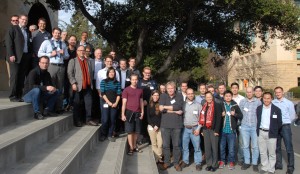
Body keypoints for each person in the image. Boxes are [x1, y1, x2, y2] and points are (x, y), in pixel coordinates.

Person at [38, 27, 70, 113]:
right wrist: (50, 54)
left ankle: (59, 107)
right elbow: (39, 53)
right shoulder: (47, 42)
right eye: (56, 33)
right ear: (52, 33)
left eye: (59, 33)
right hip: (51, 66)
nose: (57, 35)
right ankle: (49, 107)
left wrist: (63, 54)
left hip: (61, 66)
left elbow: (67, 56)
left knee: (60, 87)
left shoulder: (63, 44)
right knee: (51, 87)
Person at [67, 46, 97, 127]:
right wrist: (73, 83)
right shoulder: (73, 61)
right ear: (77, 51)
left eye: (83, 50)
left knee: (89, 104)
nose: (82, 52)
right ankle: (77, 121)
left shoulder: (89, 61)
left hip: (88, 86)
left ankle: (88, 120)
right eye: (80, 50)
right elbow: (70, 73)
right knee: (77, 104)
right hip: (78, 85)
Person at [5, 14, 32, 102]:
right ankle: (12, 96)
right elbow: (9, 43)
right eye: (23, 19)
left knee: (21, 77)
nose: (24, 21)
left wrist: (29, 55)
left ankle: (19, 95)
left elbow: (28, 44)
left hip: (25, 56)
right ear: (19, 20)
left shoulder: (27, 31)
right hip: (15, 57)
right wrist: (11, 54)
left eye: (26, 20)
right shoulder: (13, 28)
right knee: (15, 76)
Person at [158, 81, 184, 172]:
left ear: (175, 88)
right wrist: (174, 110)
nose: (170, 90)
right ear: (166, 89)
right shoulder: (163, 96)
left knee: (176, 145)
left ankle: (176, 163)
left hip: (177, 125)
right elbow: (161, 109)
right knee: (165, 145)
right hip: (165, 125)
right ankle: (167, 162)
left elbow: (179, 107)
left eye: (172, 88)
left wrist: (166, 107)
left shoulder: (179, 96)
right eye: (168, 88)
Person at [257, 92, 282, 174]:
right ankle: (265, 166)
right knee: (263, 152)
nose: (266, 100)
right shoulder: (259, 108)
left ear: (271, 99)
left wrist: (274, 130)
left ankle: (271, 169)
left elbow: (279, 123)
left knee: (272, 152)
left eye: (268, 98)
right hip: (261, 132)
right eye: (265, 98)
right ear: (262, 98)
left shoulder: (277, 110)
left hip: (271, 133)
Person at [272, 87, 295, 174]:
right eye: (276, 92)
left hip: (285, 126)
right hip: (276, 127)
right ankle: (278, 164)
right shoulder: (273, 102)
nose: (278, 94)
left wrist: (286, 122)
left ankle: (290, 166)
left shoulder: (289, 103)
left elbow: (292, 115)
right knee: (277, 147)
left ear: (283, 92)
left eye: (279, 92)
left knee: (289, 147)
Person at [219, 90, 243, 170]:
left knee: (231, 148)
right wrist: (220, 115)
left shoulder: (235, 105)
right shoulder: (221, 104)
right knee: (222, 147)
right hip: (223, 131)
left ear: (231, 97)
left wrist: (234, 114)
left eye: (229, 96)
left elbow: (241, 116)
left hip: (231, 131)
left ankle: (231, 161)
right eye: (226, 96)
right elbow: (216, 116)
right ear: (224, 97)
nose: (228, 97)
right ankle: (222, 161)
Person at [239, 87, 261, 172]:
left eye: (250, 92)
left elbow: (260, 115)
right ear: (246, 93)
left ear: (253, 92)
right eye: (247, 92)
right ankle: (247, 162)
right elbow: (240, 114)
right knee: (245, 145)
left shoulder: (258, 102)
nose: (249, 93)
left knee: (255, 146)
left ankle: (255, 163)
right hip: (245, 126)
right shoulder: (242, 102)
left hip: (254, 127)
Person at [199, 91, 222, 172]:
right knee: (207, 148)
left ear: (212, 97)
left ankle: (214, 165)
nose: (208, 98)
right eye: (207, 97)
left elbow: (219, 119)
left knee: (214, 148)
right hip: (205, 129)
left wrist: (217, 130)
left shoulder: (217, 105)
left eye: (210, 96)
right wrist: (202, 129)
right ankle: (209, 164)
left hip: (213, 130)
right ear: (205, 98)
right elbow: (202, 119)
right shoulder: (204, 106)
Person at [180, 88, 203, 171]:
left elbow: (201, 118)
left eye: (192, 93)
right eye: (188, 93)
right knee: (185, 147)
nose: (190, 95)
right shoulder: (182, 105)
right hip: (185, 129)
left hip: (195, 128)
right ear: (186, 94)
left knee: (197, 147)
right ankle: (185, 161)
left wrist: (199, 129)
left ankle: (198, 163)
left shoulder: (198, 105)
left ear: (194, 94)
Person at [121, 74, 144, 155]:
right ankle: (131, 148)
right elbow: (124, 103)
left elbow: (141, 101)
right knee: (130, 131)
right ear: (130, 80)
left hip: (138, 113)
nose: (135, 81)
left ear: (138, 80)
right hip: (129, 113)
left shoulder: (140, 90)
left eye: (136, 79)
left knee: (136, 131)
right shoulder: (126, 90)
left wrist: (142, 112)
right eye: (133, 79)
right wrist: (123, 114)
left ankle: (134, 146)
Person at [99, 67, 121, 142]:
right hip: (106, 103)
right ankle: (103, 134)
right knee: (105, 119)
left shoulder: (117, 82)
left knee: (112, 120)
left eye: (113, 72)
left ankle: (110, 134)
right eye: (110, 72)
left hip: (114, 104)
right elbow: (102, 93)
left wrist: (116, 103)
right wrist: (108, 102)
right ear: (108, 73)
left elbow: (118, 94)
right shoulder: (103, 81)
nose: (112, 73)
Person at [138, 66, 158, 144]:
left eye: (149, 73)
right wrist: (142, 101)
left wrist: (149, 101)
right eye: (146, 73)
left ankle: (150, 138)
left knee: (150, 120)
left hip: (151, 104)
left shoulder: (153, 82)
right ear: (143, 73)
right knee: (142, 121)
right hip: (141, 104)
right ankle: (142, 137)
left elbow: (156, 93)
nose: (147, 74)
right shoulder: (139, 82)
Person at [231, 82, 245, 166]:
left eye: (236, 87)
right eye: (233, 88)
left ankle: (240, 158)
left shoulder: (242, 99)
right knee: (231, 142)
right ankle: (231, 158)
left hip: (240, 123)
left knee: (241, 142)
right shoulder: (228, 98)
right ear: (231, 88)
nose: (234, 89)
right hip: (231, 124)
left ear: (238, 88)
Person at [147, 90, 163, 163]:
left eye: (157, 95)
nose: (156, 96)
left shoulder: (161, 105)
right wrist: (153, 126)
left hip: (160, 127)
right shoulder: (149, 105)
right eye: (154, 95)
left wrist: (157, 125)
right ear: (152, 96)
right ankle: (158, 159)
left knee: (160, 144)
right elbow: (148, 117)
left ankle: (158, 156)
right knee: (154, 144)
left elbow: (162, 117)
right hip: (151, 127)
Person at [90, 48, 104, 121]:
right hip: (93, 82)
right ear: (95, 54)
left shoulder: (103, 63)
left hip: (101, 83)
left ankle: (99, 117)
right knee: (93, 100)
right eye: (97, 53)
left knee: (100, 99)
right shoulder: (90, 61)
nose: (99, 54)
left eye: (100, 53)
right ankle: (93, 117)